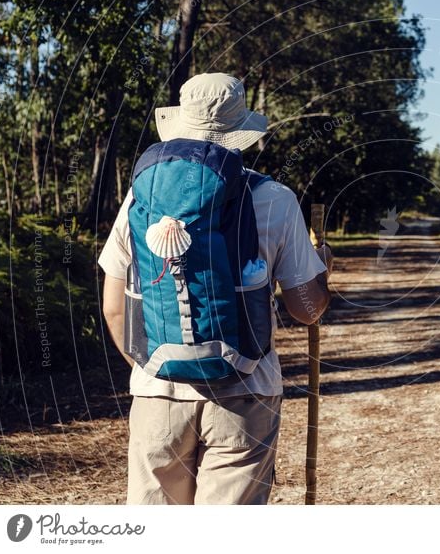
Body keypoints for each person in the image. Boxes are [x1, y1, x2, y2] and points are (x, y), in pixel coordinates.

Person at [98, 72, 332, 505]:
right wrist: (323, 276)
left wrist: (157, 366)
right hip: (245, 391)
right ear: (240, 132)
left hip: (157, 393)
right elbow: (306, 309)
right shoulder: (274, 198)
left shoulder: (140, 198)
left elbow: (114, 307)